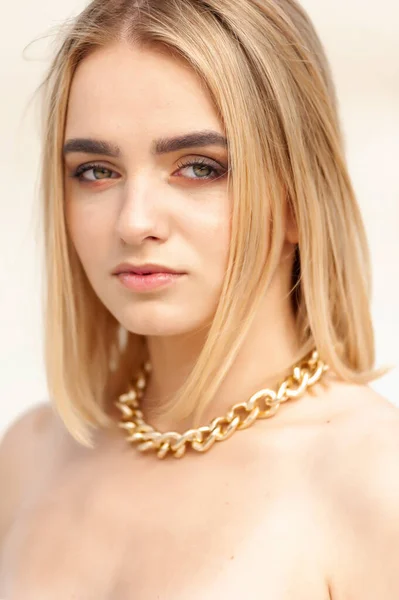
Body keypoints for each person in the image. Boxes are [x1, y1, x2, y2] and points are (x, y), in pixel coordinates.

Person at [1, 0, 398, 597]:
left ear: (296, 199)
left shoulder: (375, 481)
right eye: (96, 171)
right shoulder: (32, 454)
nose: (134, 223)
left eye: (199, 168)